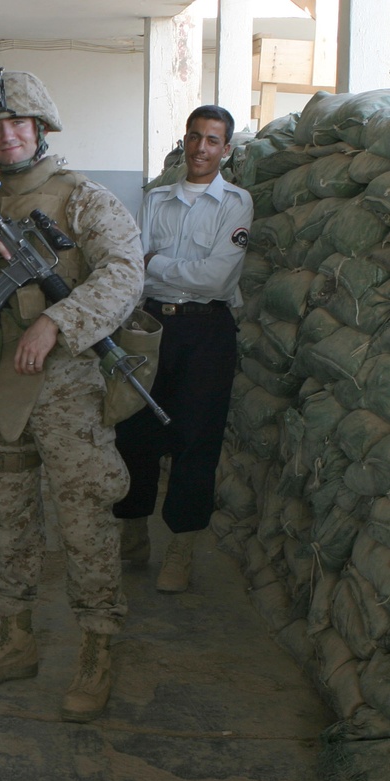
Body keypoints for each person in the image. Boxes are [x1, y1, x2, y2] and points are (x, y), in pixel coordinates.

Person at [0, 67, 144, 723]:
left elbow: (126, 274)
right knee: (10, 520)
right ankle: (15, 640)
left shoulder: (83, 199)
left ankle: (98, 650)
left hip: (70, 392)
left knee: (83, 522)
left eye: (19, 122)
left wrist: (57, 321)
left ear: (41, 128)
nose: (9, 133)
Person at [113, 105, 253, 594]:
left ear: (226, 150)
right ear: (185, 141)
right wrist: (157, 268)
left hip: (207, 332)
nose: (201, 148)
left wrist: (159, 265)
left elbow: (217, 278)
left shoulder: (236, 203)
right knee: (134, 427)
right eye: (194, 137)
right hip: (151, 326)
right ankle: (133, 534)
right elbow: (134, 266)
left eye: (213, 140)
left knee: (197, 438)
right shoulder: (156, 199)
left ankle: (181, 548)